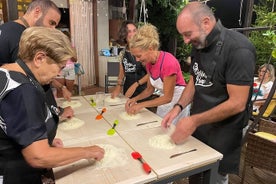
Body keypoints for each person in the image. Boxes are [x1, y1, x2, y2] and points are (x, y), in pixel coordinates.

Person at [161, 2, 256, 184]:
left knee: (214, 177)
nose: (186, 41)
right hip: (201, 123)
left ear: (205, 22)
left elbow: (238, 103)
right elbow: (196, 79)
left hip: (224, 129)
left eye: (187, 34)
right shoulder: (199, 42)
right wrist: (178, 107)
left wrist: (194, 120)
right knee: (196, 174)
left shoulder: (239, 50)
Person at [0, 27, 104, 184]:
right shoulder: (23, 90)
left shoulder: (7, 71)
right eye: (60, 67)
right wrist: (86, 151)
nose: (58, 74)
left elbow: (17, 126)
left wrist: (44, 139)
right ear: (39, 58)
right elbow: (38, 156)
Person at [0, 0, 73, 121]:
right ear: (37, 12)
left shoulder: (7, 28)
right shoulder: (23, 37)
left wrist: (61, 87)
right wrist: (57, 112)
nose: (52, 29)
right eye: (51, 23)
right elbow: (33, 82)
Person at [125, 23, 190, 124]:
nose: (137, 60)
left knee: (171, 134)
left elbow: (168, 97)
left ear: (150, 49)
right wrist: (135, 99)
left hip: (178, 101)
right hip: (164, 100)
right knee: (159, 127)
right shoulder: (149, 64)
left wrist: (141, 105)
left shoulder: (168, 63)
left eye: (139, 55)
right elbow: (149, 90)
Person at [111, 20, 148, 98]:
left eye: (134, 31)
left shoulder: (145, 50)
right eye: (129, 31)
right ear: (124, 35)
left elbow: (151, 74)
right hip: (128, 92)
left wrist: (136, 84)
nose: (132, 34)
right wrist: (118, 87)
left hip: (144, 92)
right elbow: (121, 74)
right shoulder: (122, 53)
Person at [55, 31, 76, 98]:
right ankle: (59, 107)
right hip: (60, 70)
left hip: (70, 70)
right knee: (60, 91)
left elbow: (75, 60)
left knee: (69, 91)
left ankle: (68, 106)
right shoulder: (57, 47)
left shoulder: (72, 46)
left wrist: (70, 51)